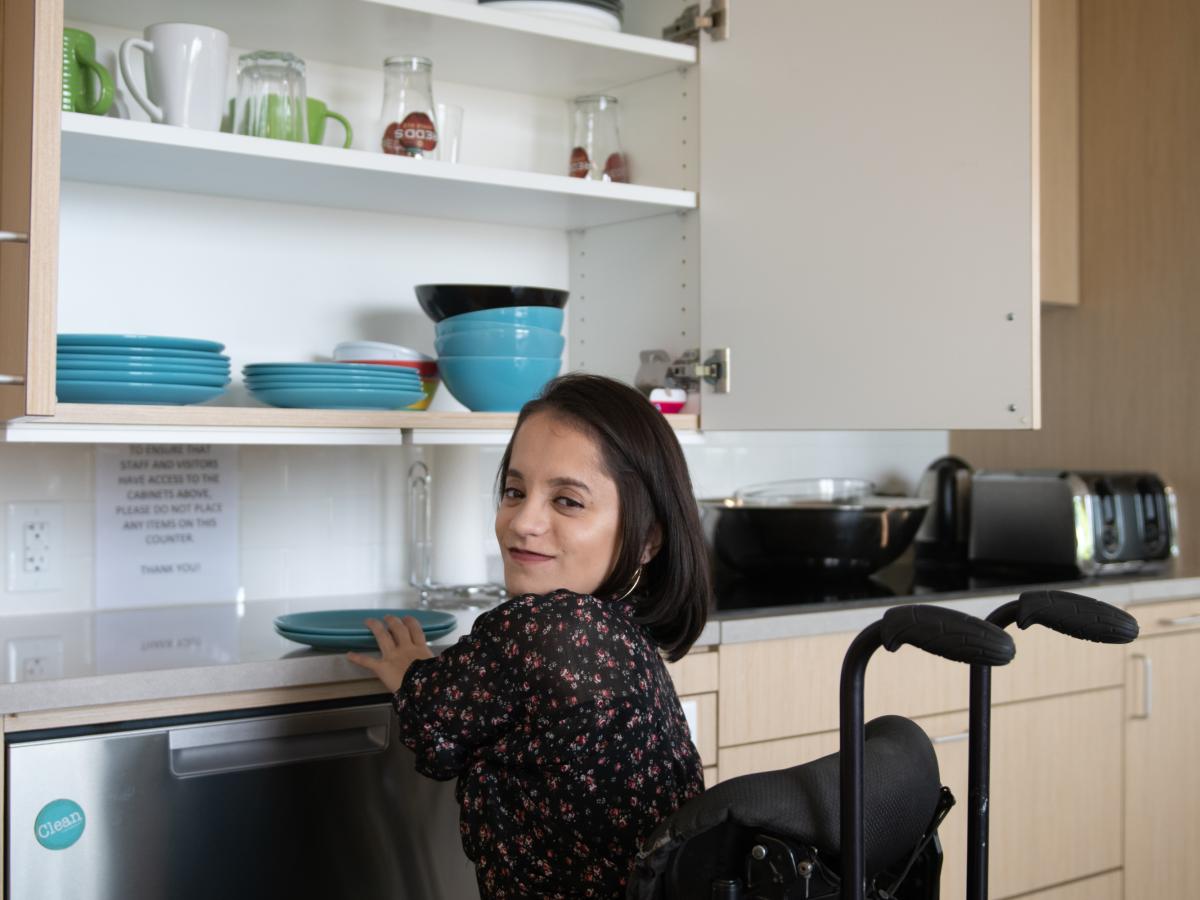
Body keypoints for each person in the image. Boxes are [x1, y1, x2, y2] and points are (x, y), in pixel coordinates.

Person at [348, 373, 713, 899]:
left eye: (567, 501)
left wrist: (412, 669)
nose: (522, 522)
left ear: (647, 539)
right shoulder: (622, 628)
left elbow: (434, 730)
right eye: (515, 491)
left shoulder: (546, 627)